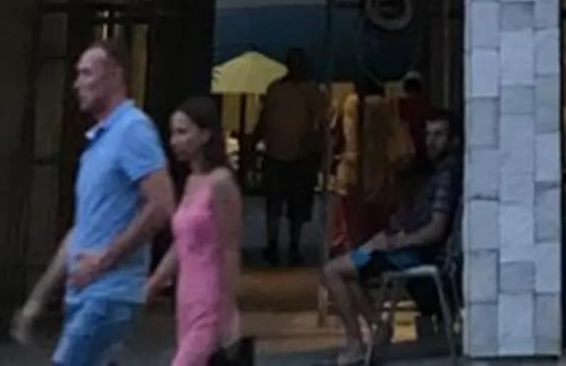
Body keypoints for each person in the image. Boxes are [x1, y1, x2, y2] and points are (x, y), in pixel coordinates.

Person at [15, 42, 176, 366]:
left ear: (114, 76)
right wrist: (39, 297)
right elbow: (82, 230)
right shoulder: (99, 142)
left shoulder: (133, 130)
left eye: (86, 73)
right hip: (86, 294)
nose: (77, 83)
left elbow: (162, 204)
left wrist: (105, 259)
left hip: (108, 293)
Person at [319, 108, 460, 366]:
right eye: (429, 134)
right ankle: (376, 326)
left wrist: (395, 242)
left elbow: (435, 230)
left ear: (454, 139)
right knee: (349, 266)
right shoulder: (440, 173)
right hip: (402, 248)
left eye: (439, 135)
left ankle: (355, 343)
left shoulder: (447, 177)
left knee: (332, 271)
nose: (432, 141)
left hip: (412, 254)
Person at [148, 98, 243, 366]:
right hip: (186, 298)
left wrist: (229, 310)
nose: (174, 141)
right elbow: (182, 245)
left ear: (205, 135)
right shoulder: (191, 182)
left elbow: (230, 248)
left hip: (210, 298)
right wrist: (153, 285)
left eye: (182, 132)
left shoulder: (221, 183)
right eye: (173, 133)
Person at [256, 46, 326, 267]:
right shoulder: (276, 89)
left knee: (296, 206)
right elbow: (264, 120)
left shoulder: (311, 91)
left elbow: (319, 126)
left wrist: (317, 152)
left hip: (301, 156)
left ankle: (292, 245)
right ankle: (274, 244)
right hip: (278, 154)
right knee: (275, 204)